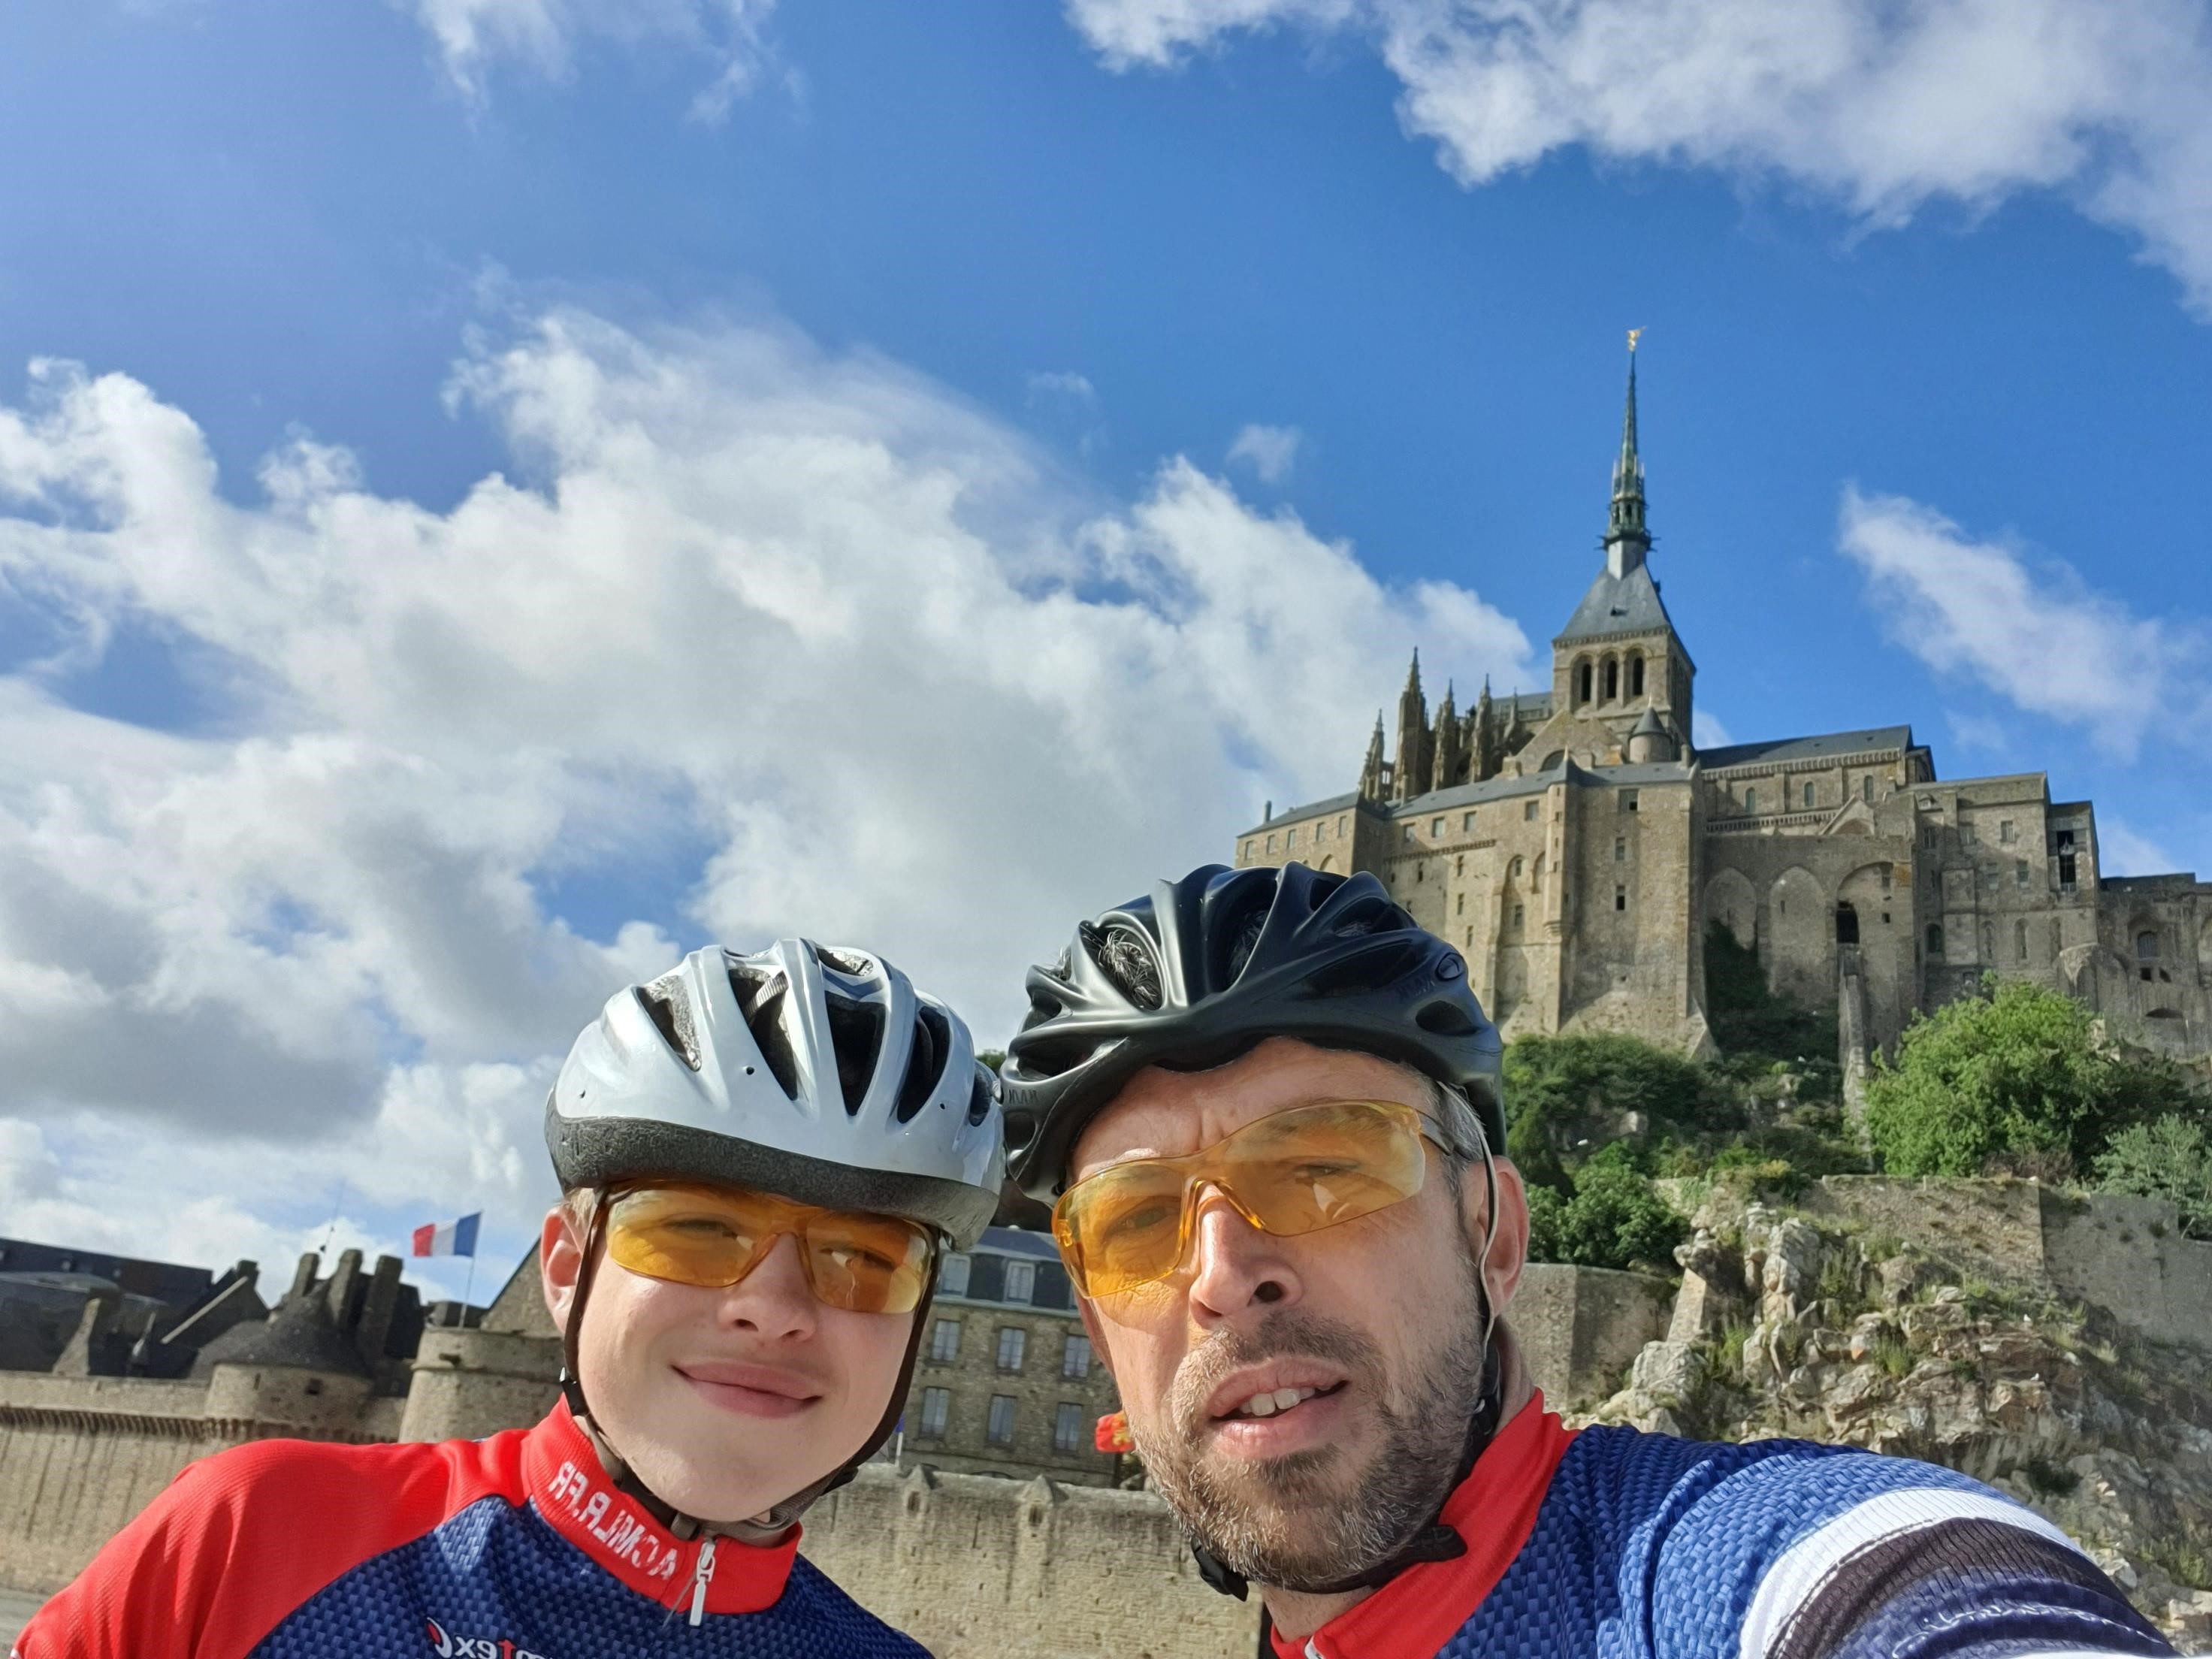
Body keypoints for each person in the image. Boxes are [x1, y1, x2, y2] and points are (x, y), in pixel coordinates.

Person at [1000, 862, 2175, 1659]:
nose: (1222, 1274)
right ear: (1098, 1327)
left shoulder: (1756, 1573)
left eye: (1323, 1168)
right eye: (1135, 1224)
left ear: (1494, 1235)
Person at [15, 940, 1003, 1659]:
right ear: (566, 1270)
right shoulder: (259, 1538)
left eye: (864, 1259)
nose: (774, 1306)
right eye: (697, 1230)